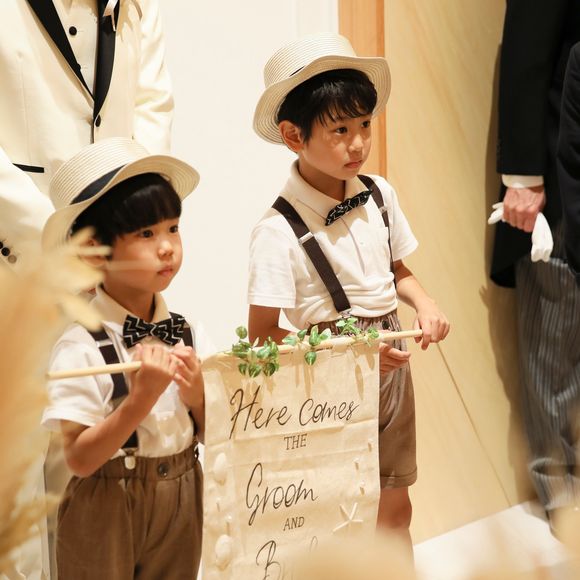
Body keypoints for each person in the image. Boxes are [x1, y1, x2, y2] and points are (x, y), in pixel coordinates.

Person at [247, 32, 449, 547]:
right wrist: (350, 354)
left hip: (392, 362)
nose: (358, 143)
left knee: (396, 508)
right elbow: (263, 337)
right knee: (337, 518)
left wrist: (424, 304)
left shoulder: (380, 194)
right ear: (293, 136)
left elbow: (398, 271)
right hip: (325, 381)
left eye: (364, 125)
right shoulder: (276, 230)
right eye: (340, 129)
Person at [41, 137, 207, 579]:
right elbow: (79, 460)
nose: (167, 247)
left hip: (182, 492)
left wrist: (197, 396)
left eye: (173, 228)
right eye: (146, 234)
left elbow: (217, 433)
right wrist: (139, 401)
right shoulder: (79, 346)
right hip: (106, 504)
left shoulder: (187, 332)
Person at [490, 1, 580, 528]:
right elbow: (527, 45)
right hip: (559, 155)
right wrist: (523, 175)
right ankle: (561, 492)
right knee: (556, 319)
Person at [0, 0, 173, 271]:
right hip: (15, 257)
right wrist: (52, 239)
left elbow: (151, 104)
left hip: (118, 264)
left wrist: (139, 225)